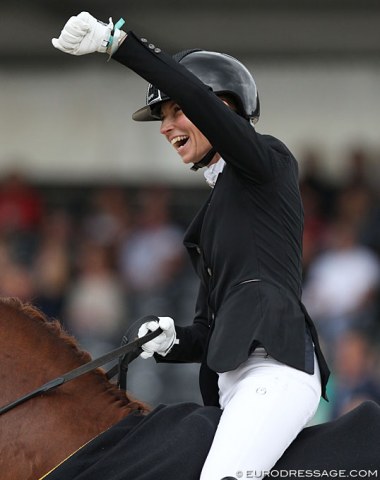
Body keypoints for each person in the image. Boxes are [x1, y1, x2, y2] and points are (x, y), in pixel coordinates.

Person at [52, 12, 330, 480]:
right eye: (163, 116)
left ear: (224, 108)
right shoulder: (208, 219)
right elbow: (210, 329)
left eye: (175, 111)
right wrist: (171, 338)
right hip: (231, 382)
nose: (165, 127)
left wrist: (118, 44)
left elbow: (204, 104)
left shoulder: (268, 163)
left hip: (276, 371)